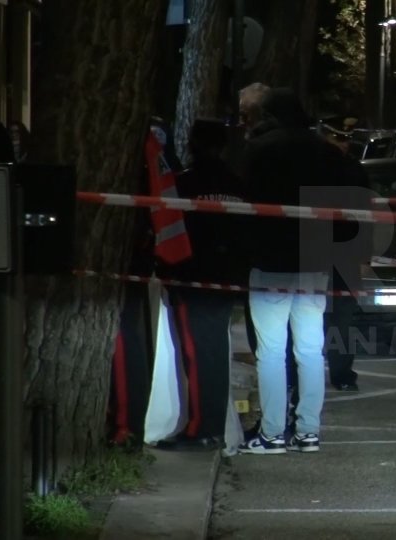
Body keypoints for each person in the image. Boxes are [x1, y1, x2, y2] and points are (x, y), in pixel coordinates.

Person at [237, 85, 361, 455]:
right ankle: (308, 431)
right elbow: (345, 205)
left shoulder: (258, 150)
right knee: (310, 349)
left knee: (272, 352)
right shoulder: (325, 151)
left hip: (270, 259)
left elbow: (246, 204)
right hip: (314, 262)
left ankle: (272, 432)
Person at [158, 118, 249, 449]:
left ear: (192, 145)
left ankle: (201, 428)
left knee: (196, 353)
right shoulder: (238, 184)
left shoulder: (184, 184)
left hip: (193, 278)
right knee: (214, 350)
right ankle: (210, 423)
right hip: (226, 278)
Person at [318, 115, 373, 392]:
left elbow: (366, 213)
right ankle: (314, 372)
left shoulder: (354, 169)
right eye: (337, 137)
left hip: (345, 252)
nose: (343, 144)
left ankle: (341, 373)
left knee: (341, 316)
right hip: (314, 251)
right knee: (315, 315)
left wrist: (364, 254)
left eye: (346, 138)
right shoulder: (311, 166)